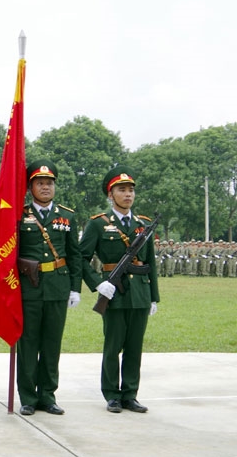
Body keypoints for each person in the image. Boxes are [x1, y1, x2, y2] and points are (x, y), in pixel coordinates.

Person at [80, 166, 159, 414]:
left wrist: (154, 297)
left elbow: (150, 262)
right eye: (122, 190)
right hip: (113, 293)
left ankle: (130, 394)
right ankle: (112, 394)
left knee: (135, 347)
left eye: (131, 190)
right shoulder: (98, 224)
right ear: (110, 194)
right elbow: (80, 258)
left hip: (140, 294)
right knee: (113, 346)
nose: (128, 195)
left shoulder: (143, 224)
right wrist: (97, 283)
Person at [16, 160, 82, 416]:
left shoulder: (67, 216)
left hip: (57, 286)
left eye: (49, 183)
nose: (45, 187)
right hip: (28, 288)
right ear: (30, 187)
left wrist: (75, 288)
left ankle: (48, 396)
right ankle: (28, 398)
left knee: (52, 344)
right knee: (28, 344)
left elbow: (74, 255)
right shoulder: (19, 215)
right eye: (40, 183)